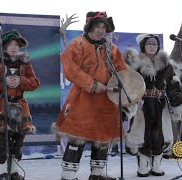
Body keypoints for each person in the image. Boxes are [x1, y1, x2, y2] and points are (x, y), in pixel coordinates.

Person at [53, 11, 127, 180]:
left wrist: (123, 85)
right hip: (82, 100)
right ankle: (69, 175)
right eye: (97, 26)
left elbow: (121, 70)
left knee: (103, 136)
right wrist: (91, 84)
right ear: (89, 28)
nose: (101, 30)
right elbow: (70, 68)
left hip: (106, 100)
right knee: (77, 135)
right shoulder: (77, 44)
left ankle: (97, 173)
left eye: (104, 27)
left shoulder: (111, 48)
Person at [0, 29, 40, 180]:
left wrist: (21, 81)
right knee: (1, 140)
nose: (13, 47)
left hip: (19, 105)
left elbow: (34, 82)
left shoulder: (25, 64)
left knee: (18, 139)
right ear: (4, 47)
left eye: (16, 44)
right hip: (0, 105)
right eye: (10, 44)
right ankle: (1, 171)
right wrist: (2, 81)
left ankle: (14, 170)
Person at [124, 34, 182, 177]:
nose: (152, 46)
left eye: (154, 44)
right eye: (149, 44)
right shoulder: (136, 64)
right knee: (142, 135)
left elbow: (173, 85)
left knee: (160, 135)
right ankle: (143, 166)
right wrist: (128, 105)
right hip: (142, 106)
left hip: (160, 105)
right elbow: (130, 86)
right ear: (143, 46)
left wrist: (177, 104)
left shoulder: (167, 64)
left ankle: (156, 165)